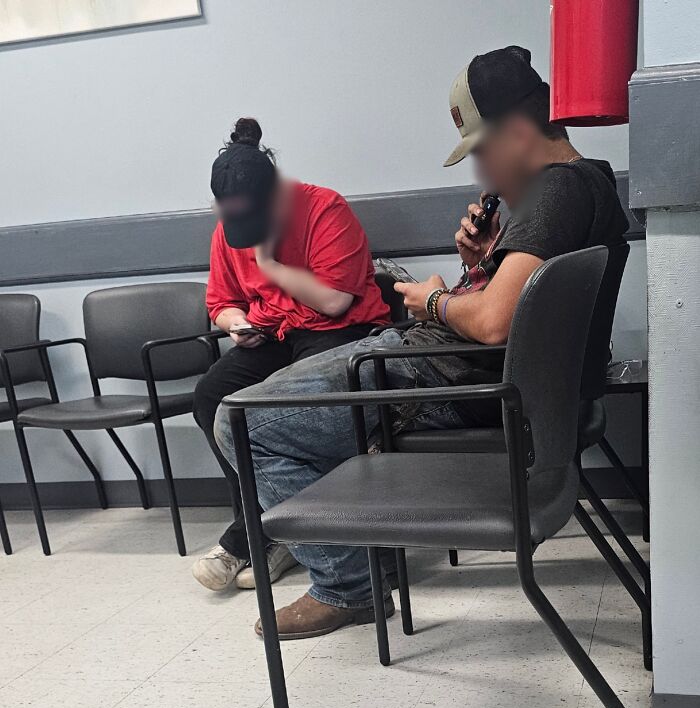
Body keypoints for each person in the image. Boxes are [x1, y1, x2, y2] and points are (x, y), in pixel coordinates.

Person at [213, 46, 630, 638]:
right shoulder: (589, 186)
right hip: (444, 370)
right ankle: (364, 556)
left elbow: (494, 324)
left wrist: (430, 299)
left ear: (517, 132)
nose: (480, 171)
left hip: (433, 378)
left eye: (480, 152)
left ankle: (349, 586)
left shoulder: (555, 191)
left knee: (238, 421)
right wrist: (482, 263)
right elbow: (518, 308)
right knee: (272, 408)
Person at [191, 118, 390, 592]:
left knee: (293, 407)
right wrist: (236, 323)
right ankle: (274, 529)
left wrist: (269, 264)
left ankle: (258, 536)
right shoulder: (227, 229)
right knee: (213, 397)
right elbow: (221, 302)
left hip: (340, 330)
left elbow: (335, 301)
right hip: (272, 333)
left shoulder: (324, 208)